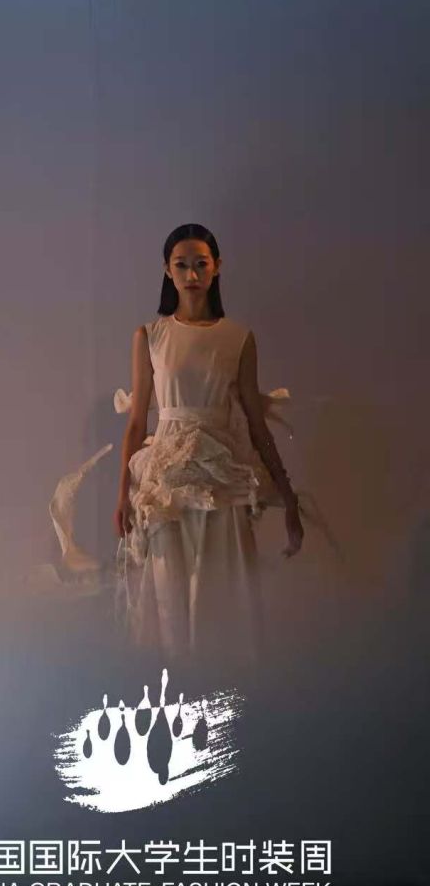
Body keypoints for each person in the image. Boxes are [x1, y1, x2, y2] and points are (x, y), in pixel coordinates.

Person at [92, 224, 306, 665]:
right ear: (167, 271)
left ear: (216, 267)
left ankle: (229, 692)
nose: (191, 274)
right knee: (170, 600)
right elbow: (137, 422)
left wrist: (288, 495)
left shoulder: (238, 338)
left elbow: (256, 421)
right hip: (166, 482)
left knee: (224, 599)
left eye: (201, 264)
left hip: (221, 479)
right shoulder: (149, 336)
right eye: (182, 265)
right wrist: (122, 495)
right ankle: (181, 692)